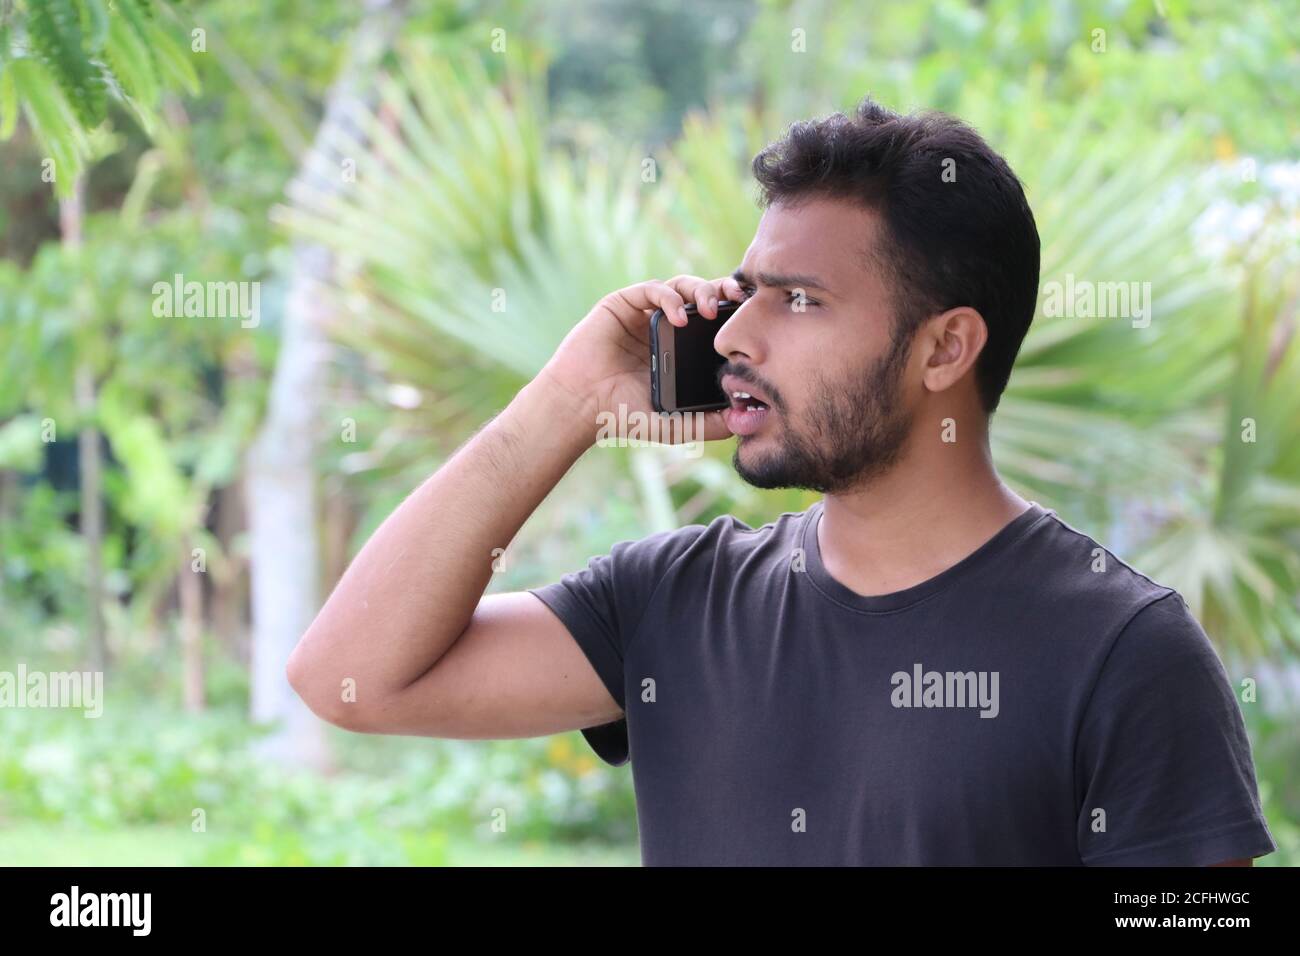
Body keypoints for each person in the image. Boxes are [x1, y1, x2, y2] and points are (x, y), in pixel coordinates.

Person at [286, 97, 1277, 867]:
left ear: (946, 348)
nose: (735, 337)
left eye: (799, 299)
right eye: (746, 292)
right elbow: (350, 676)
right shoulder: (672, 601)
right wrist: (566, 403)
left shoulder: (1124, 651)